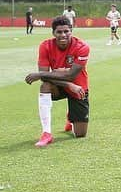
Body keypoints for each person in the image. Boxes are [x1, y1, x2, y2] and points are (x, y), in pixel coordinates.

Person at [24, 15, 91, 147]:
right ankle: (46, 133)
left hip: (79, 88)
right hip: (61, 86)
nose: (63, 35)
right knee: (45, 85)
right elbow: (45, 78)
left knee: (80, 134)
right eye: (59, 32)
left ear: (71, 30)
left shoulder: (82, 47)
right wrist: (67, 83)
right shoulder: (45, 46)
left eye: (66, 31)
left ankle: (70, 119)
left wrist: (40, 74)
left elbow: (71, 75)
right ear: (53, 33)